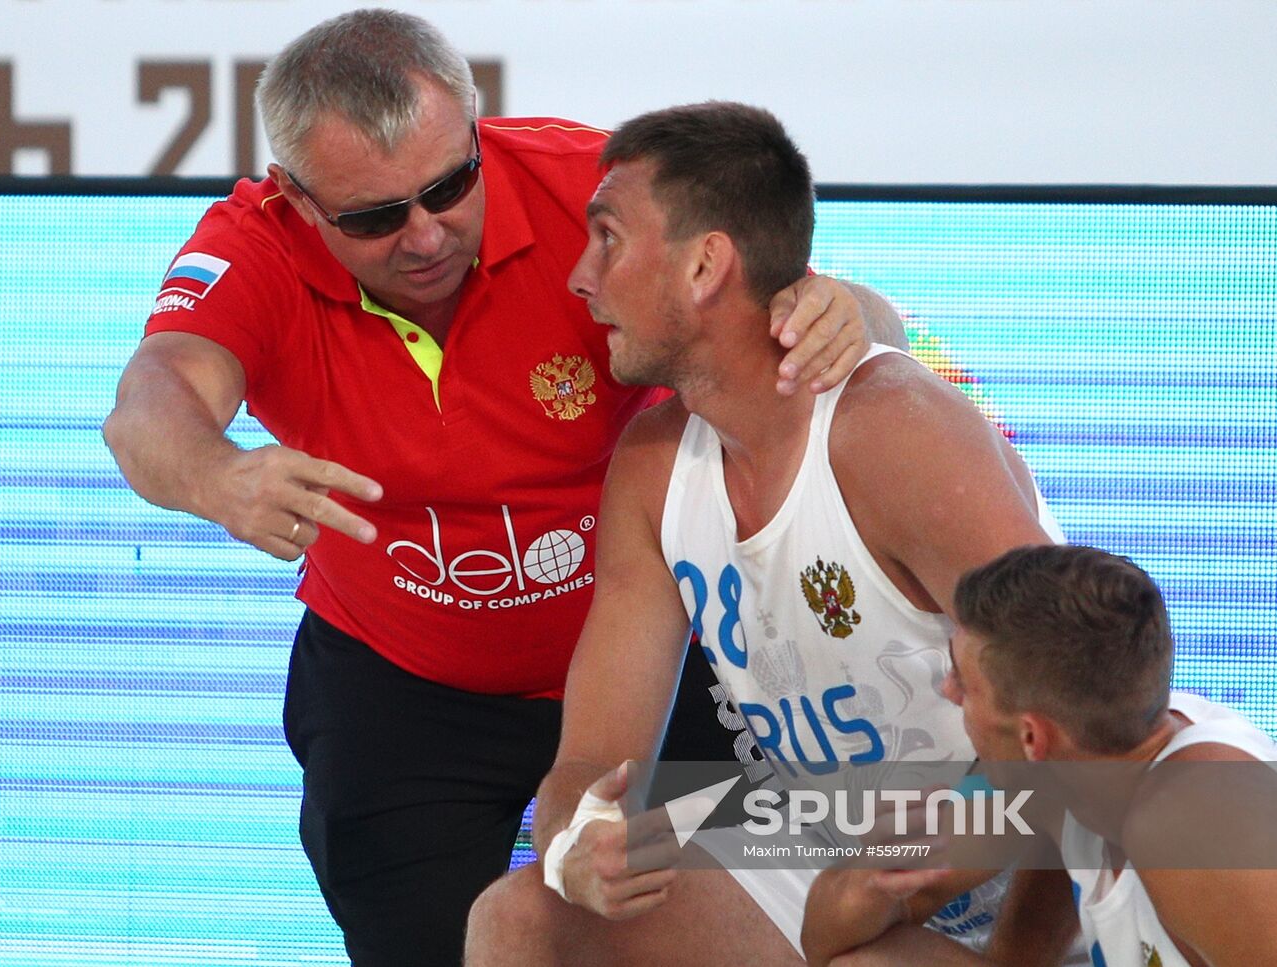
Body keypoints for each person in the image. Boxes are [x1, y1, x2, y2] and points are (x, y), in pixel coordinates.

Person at [100, 10, 901, 966]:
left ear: (479, 131)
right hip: (403, 687)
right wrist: (218, 474)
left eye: (450, 184)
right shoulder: (253, 248)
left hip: (656, 655)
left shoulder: (594, 191)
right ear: (296, 200)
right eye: (375, 215)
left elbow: (846, 315)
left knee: (728, 932)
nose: (427, 234)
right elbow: (150, 401)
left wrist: (841, 312)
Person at [463, 101, 1066, 965]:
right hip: (831, 834)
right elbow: (590, 759)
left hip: (1017, 855)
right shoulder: (651, 463)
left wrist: (916, 877)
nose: (579, 277)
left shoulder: (889, 428)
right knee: (518, 918)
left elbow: (1083, 712)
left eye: (608, 238)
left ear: (707, 264)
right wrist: (576, 844)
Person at [803, 545, 1277, 966]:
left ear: (1031, 736)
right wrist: (868, 878)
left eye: (964, 683)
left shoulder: (1202, 821)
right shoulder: (1057, 779)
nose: (948, 691)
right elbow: (825, 940)